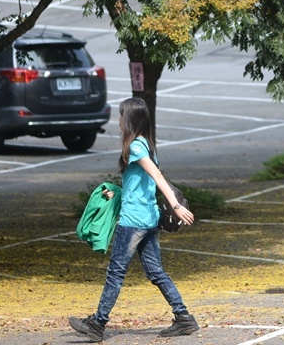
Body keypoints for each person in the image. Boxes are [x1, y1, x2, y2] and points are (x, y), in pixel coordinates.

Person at [70, 97, 198, 341]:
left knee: (115, 273)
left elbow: (158, 177)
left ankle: (97, 324)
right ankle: (184, 318)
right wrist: (117, 193)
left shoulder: (137, 147)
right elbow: (141, 187)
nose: (118, 121)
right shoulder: (146, 146)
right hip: (148, 219)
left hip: (133, 222)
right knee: (156, 272)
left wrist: (175, 205)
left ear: (130, 119)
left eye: (121, 116)